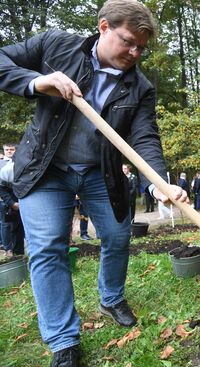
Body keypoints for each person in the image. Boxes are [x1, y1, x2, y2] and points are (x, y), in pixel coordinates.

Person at [0, 1, 188, 365]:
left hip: (100, 172)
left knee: (118, 235)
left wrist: (157, 184)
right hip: (45, 168)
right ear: (104, 27)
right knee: (48, 246)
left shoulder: (140, 87)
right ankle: (63, 341)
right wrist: (37, 81)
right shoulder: (57, 46)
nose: (135, 53)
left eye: (141, 48)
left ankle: (111, 297)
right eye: (128, 42)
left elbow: (145, 138)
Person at [0, 152, 25, 257]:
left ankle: (19, 252)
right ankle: (8, 249)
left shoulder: (30, 168)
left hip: (25, 200)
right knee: (7, 225)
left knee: (20, 227)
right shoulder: (6, 170)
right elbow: (1, 188)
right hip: (9, 203)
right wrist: (12, 203)